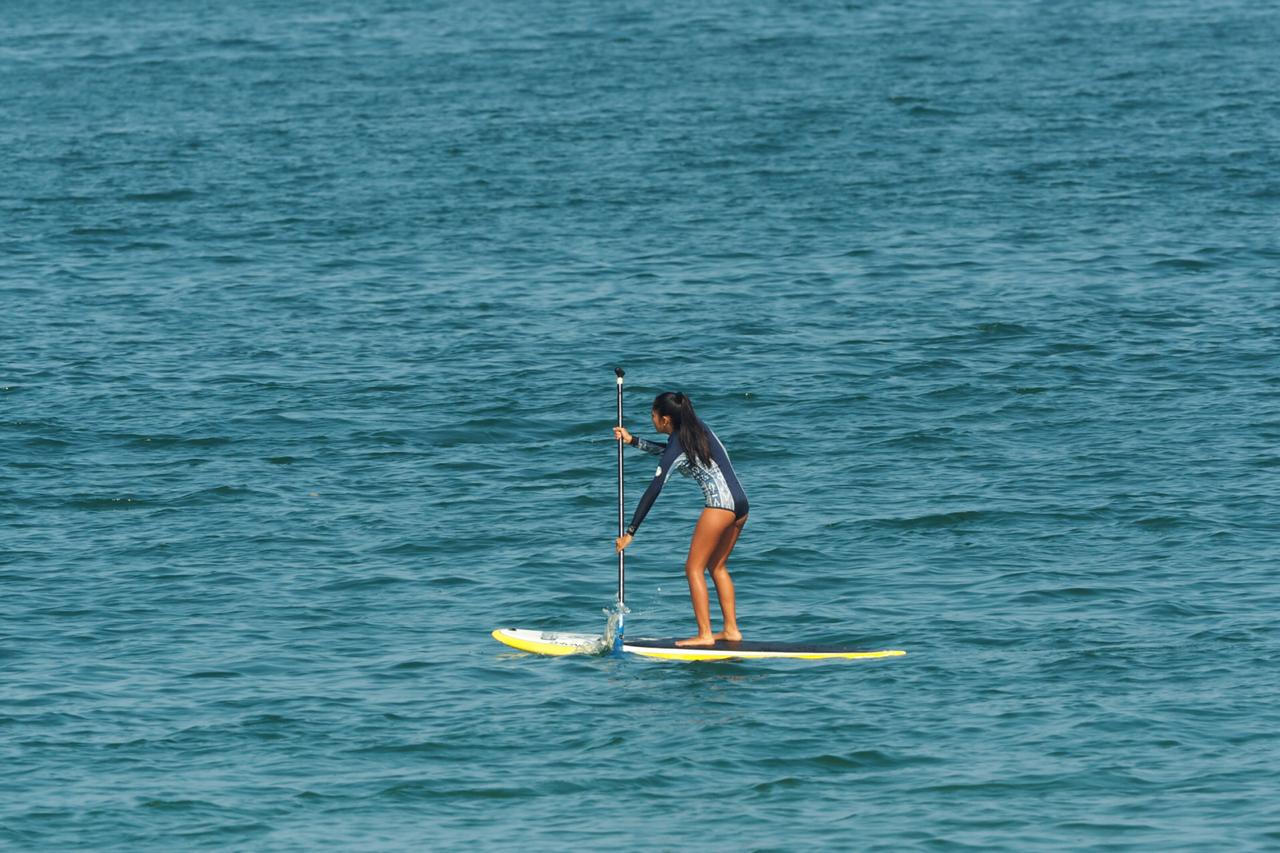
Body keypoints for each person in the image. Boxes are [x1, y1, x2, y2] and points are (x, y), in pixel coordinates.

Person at [613, 391, 749, 646]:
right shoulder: (698, 429)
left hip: (720, 507)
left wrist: (631, 531)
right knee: (716, 567)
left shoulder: (679, 442)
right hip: (742, 505)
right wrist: (633, 441)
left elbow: (655, 487)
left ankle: (705, 634)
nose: (652, 420)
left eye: (652, 416)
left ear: (665, 419)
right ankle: (731, 630)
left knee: (693, 568)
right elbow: (669, 454)